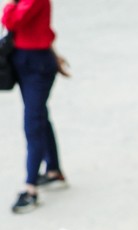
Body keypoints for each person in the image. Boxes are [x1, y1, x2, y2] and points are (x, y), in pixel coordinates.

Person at [2, 0, 67, 214]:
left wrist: (10, 5)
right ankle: (53, 170)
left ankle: (30, 188)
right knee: (39, 116)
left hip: (37, 65)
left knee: (33, 122)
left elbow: (12, 20)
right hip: (23, 60)